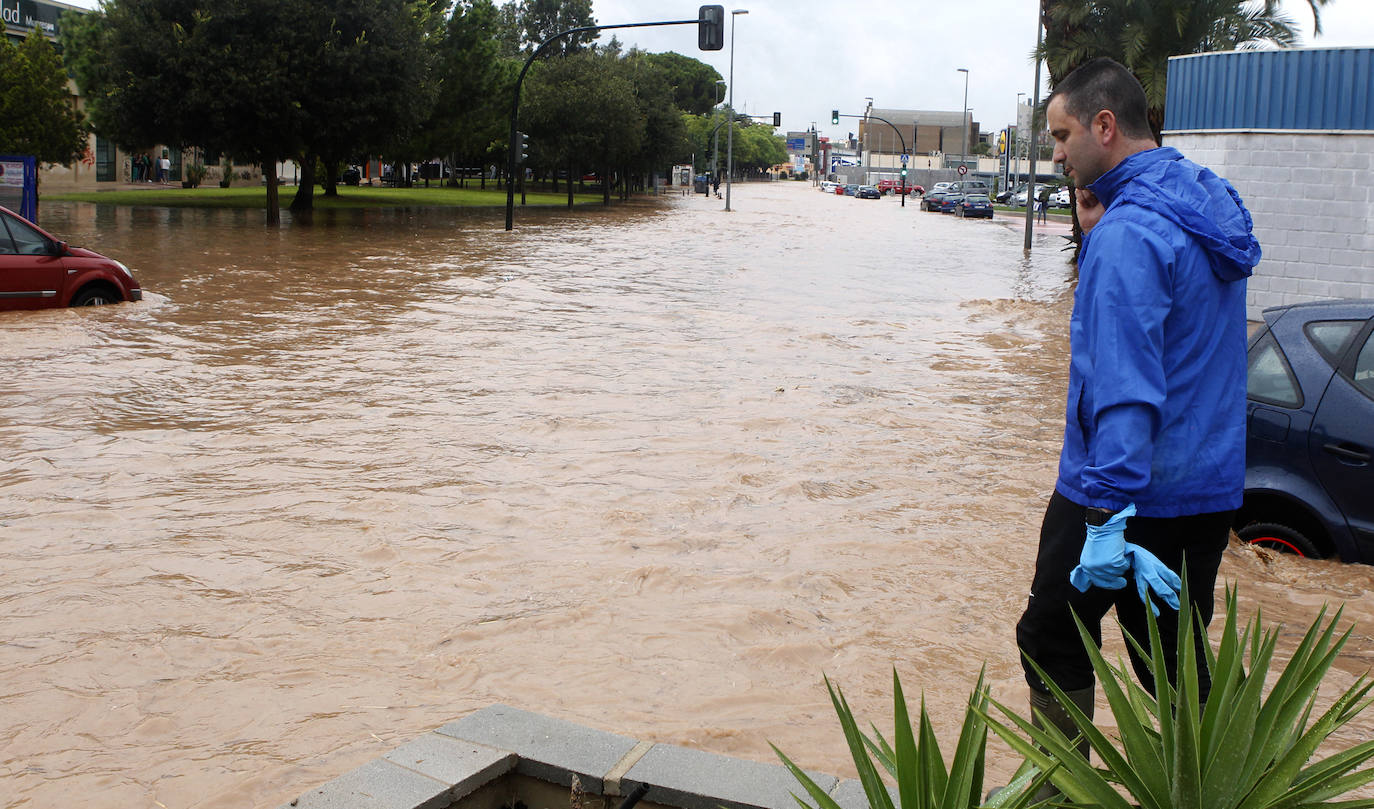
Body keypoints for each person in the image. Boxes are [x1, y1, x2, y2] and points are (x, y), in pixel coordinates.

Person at [1014, 57, 1260, 766]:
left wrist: (1106, 519)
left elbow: (1124, 388)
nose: (1057, 155)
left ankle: (1060, 791)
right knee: (1172, 659)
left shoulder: (1129, 233)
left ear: (1104, 125)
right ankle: (1236, 777)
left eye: (1061, 136)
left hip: (1123, 490)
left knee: (1050, 636)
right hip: (1205, 490)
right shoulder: (1205, 204)